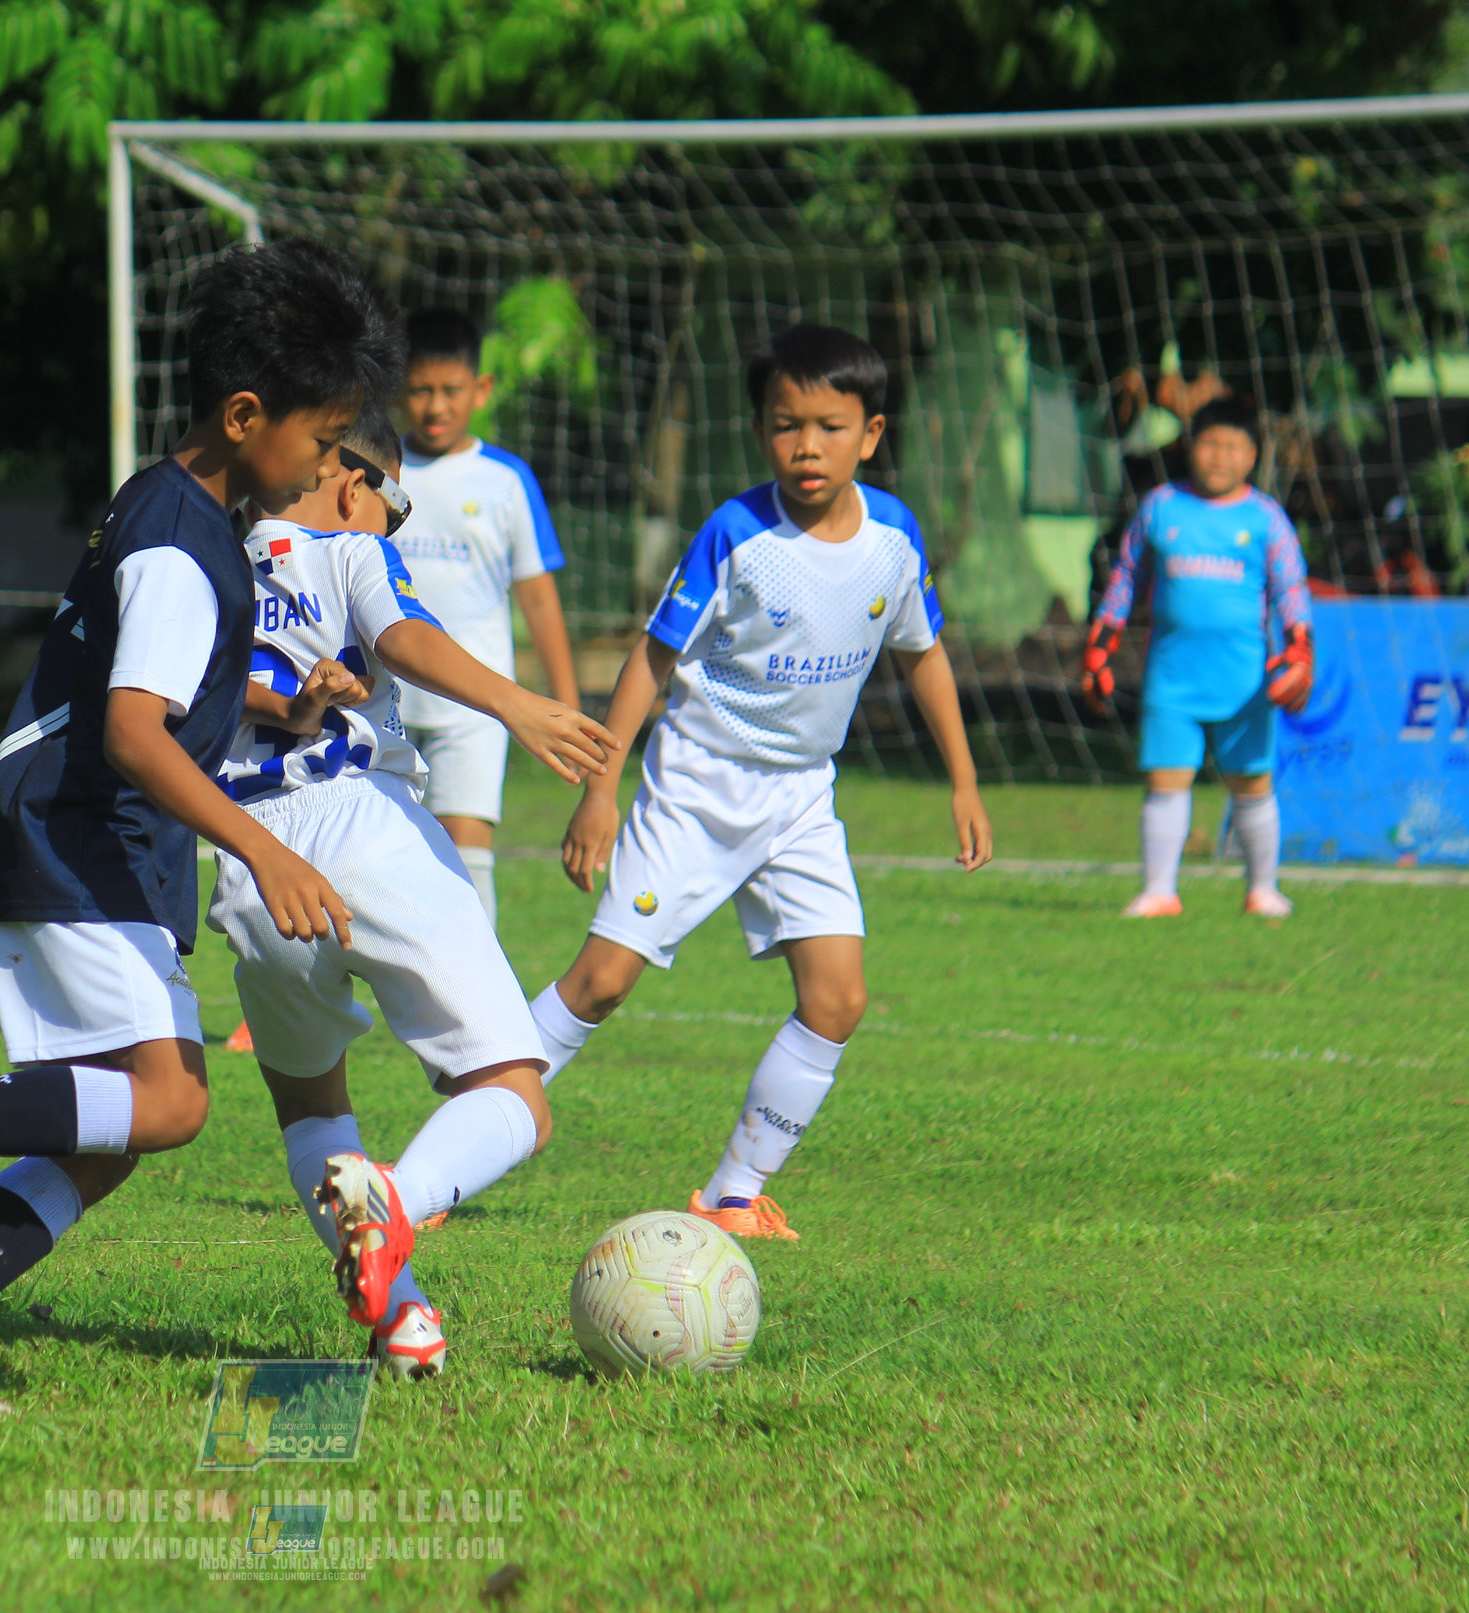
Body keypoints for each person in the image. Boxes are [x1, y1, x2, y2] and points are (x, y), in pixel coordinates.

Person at [0, 240, 404, 1413]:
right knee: (168, 1104)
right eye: (320, 442)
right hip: (91, 833)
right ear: (246, 412)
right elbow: (133, 730)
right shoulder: (180, 541)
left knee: (107, 1137)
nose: (326, 469)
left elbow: (84, 670)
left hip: (74, 828)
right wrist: (265, 845)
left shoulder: (167, 504)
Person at [525, 325, 993, 1243]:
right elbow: (651, 659)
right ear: (759, 430)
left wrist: (964, 782)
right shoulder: (736, 534)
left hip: (800, 798)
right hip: (697, 786)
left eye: (827, 425)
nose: (804, 445)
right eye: (784, 425)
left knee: (836, 998)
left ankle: (733, 1192)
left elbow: (925, 653)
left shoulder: (894, 536)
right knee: (603, 979)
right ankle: (466, 1126)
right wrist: (598, 788)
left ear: (871, 431)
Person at [211, 406, 615, 1379]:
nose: (391, 521)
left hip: (248, 861)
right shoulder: (348, 546)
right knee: (517, 1092)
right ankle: (405, 1199)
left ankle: (402, 1319)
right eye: (394, 500)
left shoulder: (207, 562)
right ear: (352, 480)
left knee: (313, 1114)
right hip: (363, 826)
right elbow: (400, 636)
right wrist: (519, 704)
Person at [1082, 397, 1314, 919]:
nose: (1219, 457)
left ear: (1251, 455)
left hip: (1244, 681)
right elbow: (1125, 580)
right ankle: (1160, 891)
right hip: (1172, 677)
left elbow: (1291, 590)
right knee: (1166, 779)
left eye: (1232, 447)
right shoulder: (1161, 508)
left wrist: (1301, 648)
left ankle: (1263, 890)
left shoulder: (1265, 519)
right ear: (1192, 448)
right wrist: (1100, 648)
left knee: (1252, 784)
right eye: (1210, 445)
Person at [394, 308, 580, 928]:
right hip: (380, 697)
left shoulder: (505, 480)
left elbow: (539, 599)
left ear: (481, 391)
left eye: (451, 390)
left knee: (466, 854)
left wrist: (566, 704)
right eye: (421, 390)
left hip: (474, 705)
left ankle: (479, 1007)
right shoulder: (374, 469)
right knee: (360, 850)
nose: (435, 406)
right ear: (399, 389)